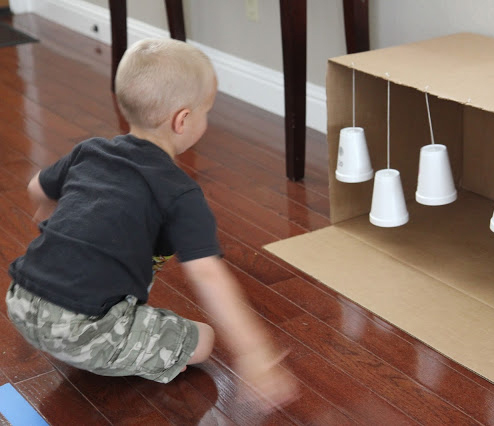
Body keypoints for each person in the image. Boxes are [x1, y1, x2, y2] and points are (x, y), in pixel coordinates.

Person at [5, 38, 297, 411]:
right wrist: (256, 354)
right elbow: (208, 276)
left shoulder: (90, 150)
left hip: (21, 301)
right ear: (183, 119)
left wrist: (51, 225)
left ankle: (77, 342)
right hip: (80, 328)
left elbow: (37, 188)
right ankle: (88, 347)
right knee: (203, 340)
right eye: (206, 111)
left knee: (92, 319)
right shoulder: (179, 192)